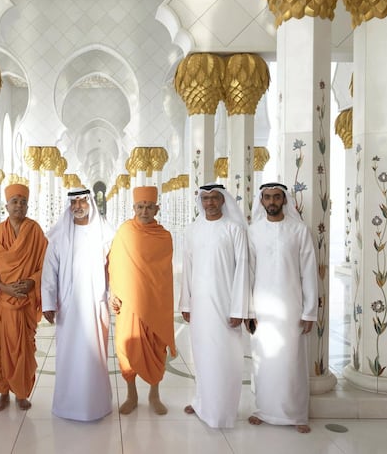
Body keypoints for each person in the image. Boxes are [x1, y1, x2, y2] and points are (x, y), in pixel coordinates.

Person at [247, 182, 318, 434]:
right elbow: (250, 272)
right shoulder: (253, 231)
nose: (272, 201)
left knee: (291, 359)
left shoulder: (299, 230)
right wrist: (249, 310)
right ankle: (263, 410)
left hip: (291, 305)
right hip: (263, 307)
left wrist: (309, 310)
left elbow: (309, 272)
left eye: (277, 197)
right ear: (262, 201)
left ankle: (297, 414)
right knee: (263, 359)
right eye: (267, 197)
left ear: (284, 200)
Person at [179, 183, 251, 428]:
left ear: (223, 201)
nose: (209, 203)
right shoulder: (192, 230)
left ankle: (222, 411)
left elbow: (243, 270)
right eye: (205, 198)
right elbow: (187, 269)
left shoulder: (235, 229)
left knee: (225, 357)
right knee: (201, 355)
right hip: (199, 305)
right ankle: (202, 403)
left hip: (225, 304)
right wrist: (185, 303)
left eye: (214, 198)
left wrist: (239, 309)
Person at [0, 183, 47, 411]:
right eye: (15, 201)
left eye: (23, 202)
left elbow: (47, 264)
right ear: (6, 206)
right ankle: (3, 391)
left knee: (23, 348)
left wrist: (33, 281)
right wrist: (5, 288)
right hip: (0, 303)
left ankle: (22, 393)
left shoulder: (35, 232)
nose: (19, 206)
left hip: (24, 302)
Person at [42, 187, 115, 421]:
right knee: (68, 354)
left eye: (82, 201)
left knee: (95, 354)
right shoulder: (59, 236)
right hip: (68, 306)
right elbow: (49, 271)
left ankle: (96, 405)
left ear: (90, 203)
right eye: (74, 202)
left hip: (96, 304)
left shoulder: (104, 233)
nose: (78, 206)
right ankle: (67, 405)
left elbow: (113, 267)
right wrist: (48, 303)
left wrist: (114, 293)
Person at [108, 185, 176, 415]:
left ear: (157, 208)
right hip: (128, 302)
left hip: (155, 301)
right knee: (127, 348)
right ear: (133, 207)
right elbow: (114, 262)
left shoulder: (164, 236)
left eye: (149, 207)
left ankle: (154, 394)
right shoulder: (125, 231)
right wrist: (114, 291)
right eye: (140, 206)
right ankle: (131, 394)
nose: (144, 211)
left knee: (157, 347)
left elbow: (163, 273)